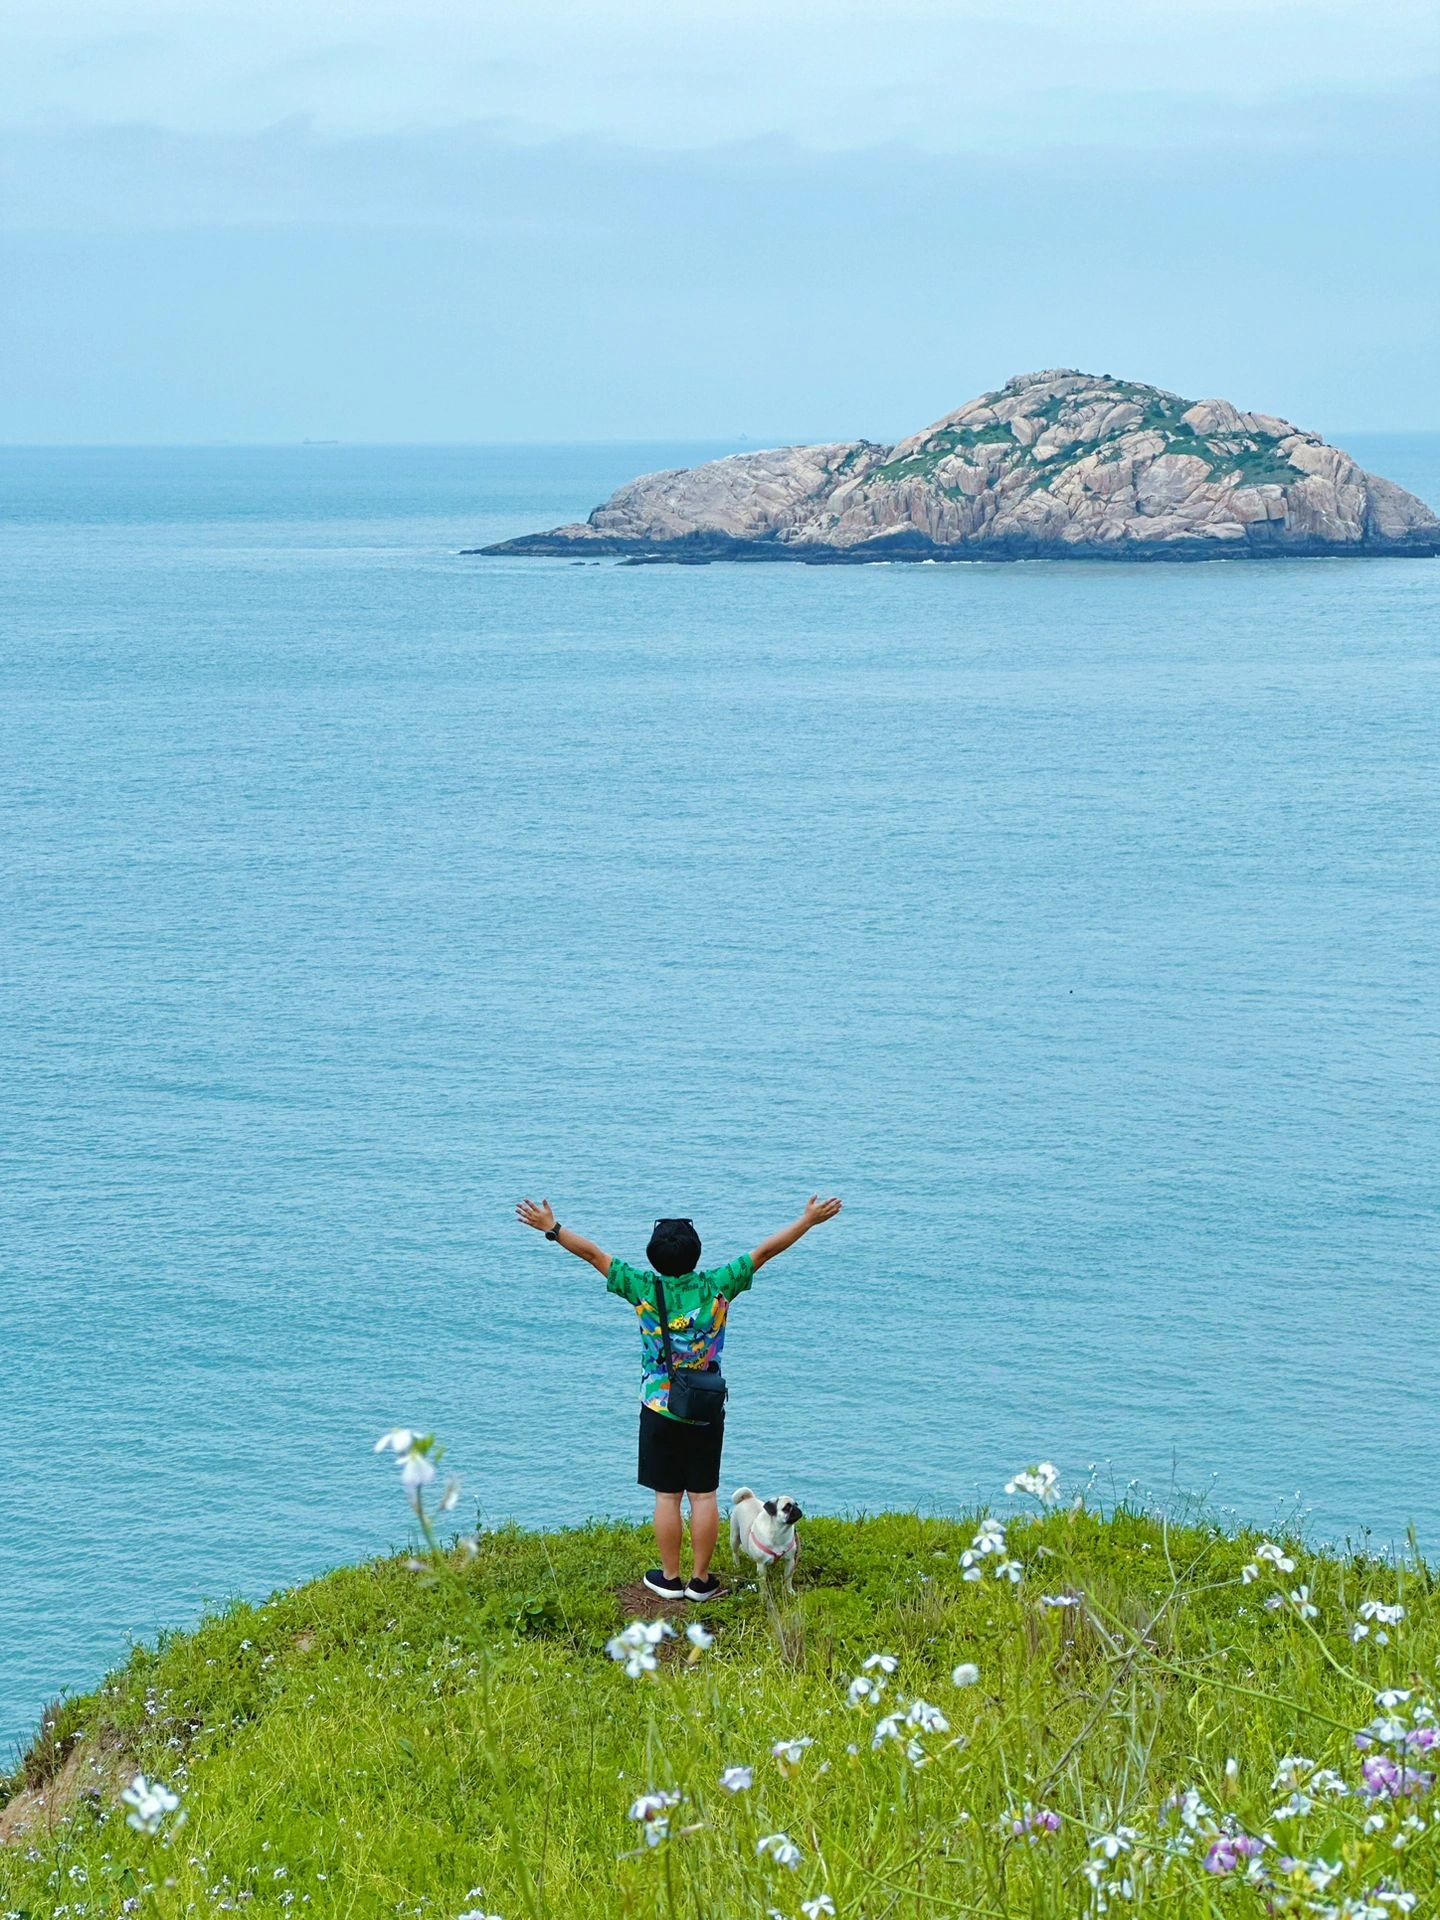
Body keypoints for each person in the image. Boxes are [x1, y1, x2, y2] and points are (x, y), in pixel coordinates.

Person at [515, 1193, 843, 1598]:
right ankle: (701, 1581)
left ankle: (670, 1579)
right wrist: (808, 1220)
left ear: (654, 1258)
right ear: (697, 1253)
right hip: (705, 1405)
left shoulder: (642, 1286)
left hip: (658, 1404)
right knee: (703, 1494)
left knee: (667, 1495)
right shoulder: (718, 1284)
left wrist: (553, 1228)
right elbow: (765, 1251)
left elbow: (595, 1255)